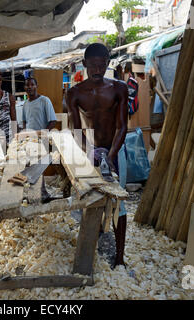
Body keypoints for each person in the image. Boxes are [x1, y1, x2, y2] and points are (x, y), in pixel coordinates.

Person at [67, 43, 128, 267]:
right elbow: (76, 130)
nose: (97, 70)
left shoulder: (118, 88)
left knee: (119, 203)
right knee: (92, 200)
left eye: (102, 65)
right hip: (91, 150)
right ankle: (90, 252)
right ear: (84, 65)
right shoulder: (74, 93)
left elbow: (122, 127)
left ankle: (120, 258)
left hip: (116, 149)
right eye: (93, 65)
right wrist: (90, 152)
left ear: (108, 64)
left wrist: (111, 156)